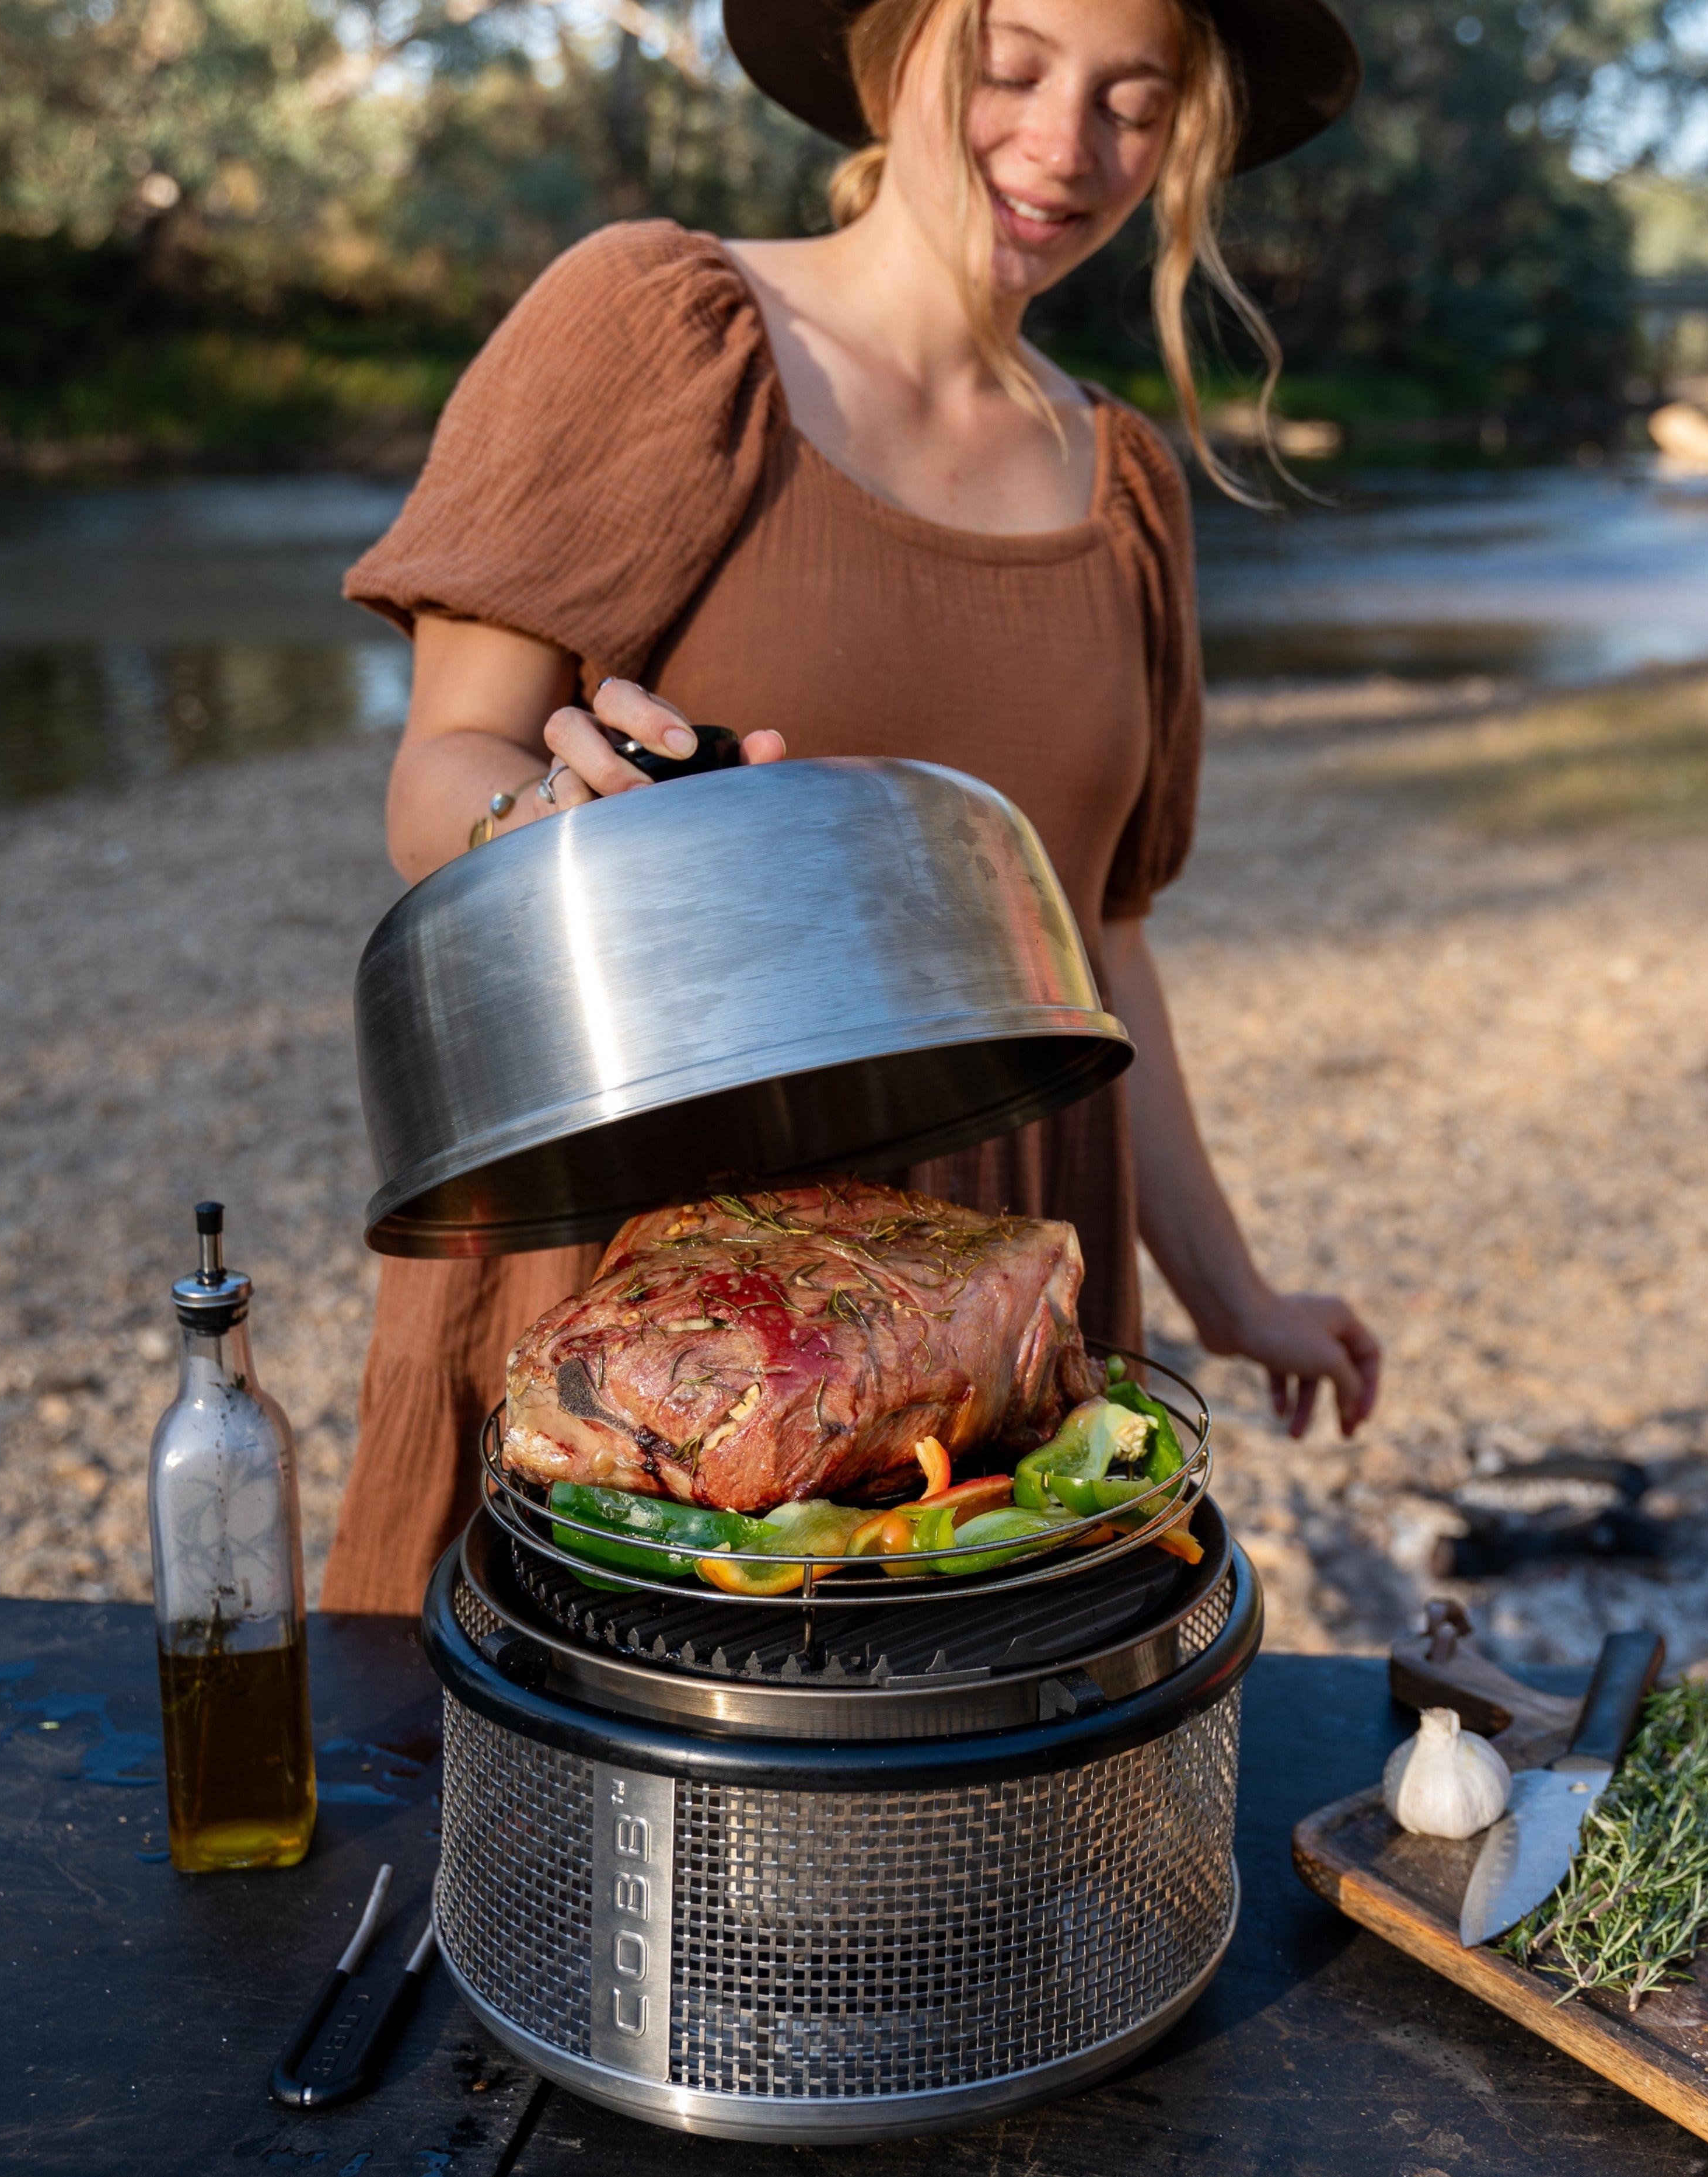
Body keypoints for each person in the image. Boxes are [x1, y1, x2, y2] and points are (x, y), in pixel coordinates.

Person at [323, 0, 1381, 1611]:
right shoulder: (663, 330)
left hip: (993, 1331)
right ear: (891, 53)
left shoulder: (1124, 486)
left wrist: (1232, 1292)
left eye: (1133, 102)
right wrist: (544, 823)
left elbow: (1095, 941)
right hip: (650, 1308)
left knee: (966, 1838)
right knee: (553, 1826)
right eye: (1010, 67)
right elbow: (440, 766)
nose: (1061, 145)